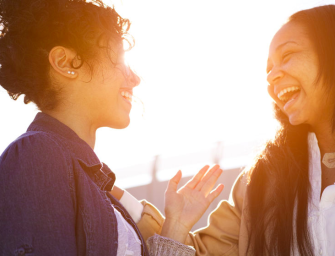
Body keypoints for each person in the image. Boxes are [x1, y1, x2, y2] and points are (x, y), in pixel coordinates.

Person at [0, 0, 224, 255]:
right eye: (118, 59)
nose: (135, 78)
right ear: (64, 62)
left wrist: (176, 227)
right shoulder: (37, 154)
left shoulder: (89, 181)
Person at [114, 4, 335, 256]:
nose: (272, 76)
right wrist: (172, 223)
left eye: (287, 56)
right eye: (268, 68)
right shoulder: (261, 181)